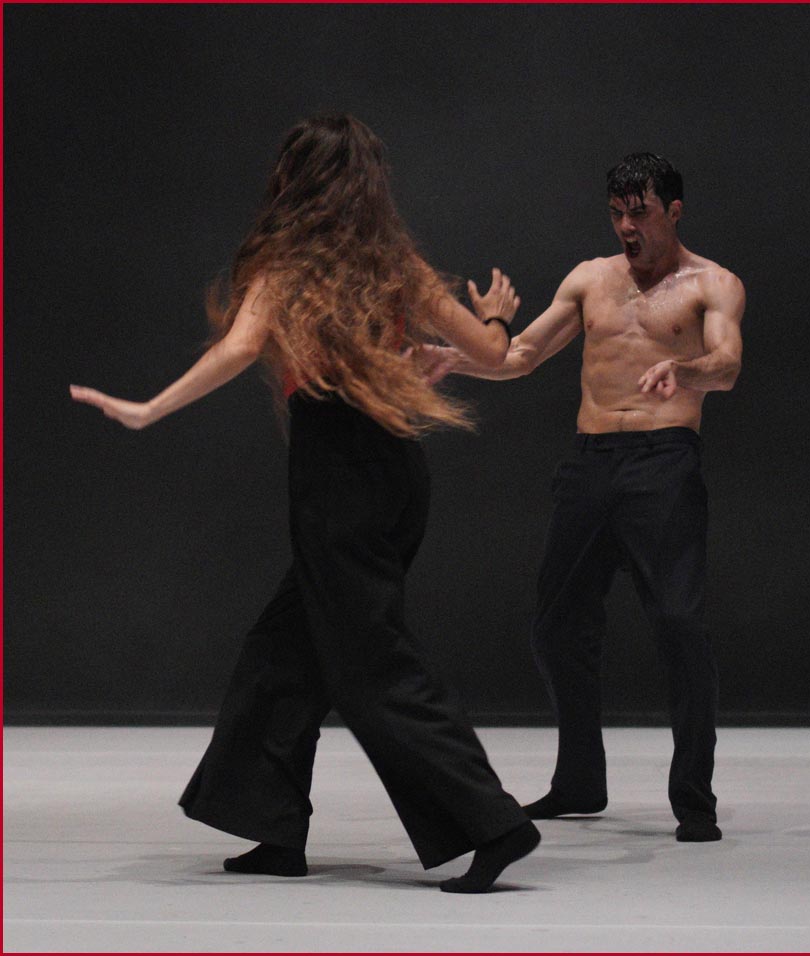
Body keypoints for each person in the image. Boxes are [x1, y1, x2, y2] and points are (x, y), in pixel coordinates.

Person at [70, 114, 540, 892]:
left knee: (371, 663)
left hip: (338, 479)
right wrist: (494, 313)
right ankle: (274, 830)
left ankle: (493, 824)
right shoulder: (394, 263)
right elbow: (492, 351)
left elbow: (239, 347)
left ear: (296, 177)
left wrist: (151, 409)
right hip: (392, 473)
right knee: (283, 653)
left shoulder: (287, 266)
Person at [425, 153, 745, 842]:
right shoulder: (589, 279)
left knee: (678, 624)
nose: (627, 226)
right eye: (617, 213)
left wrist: (683, 370)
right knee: (555, 624)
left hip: (663, 461)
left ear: (673, 212)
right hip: (592, 462)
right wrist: (460, 357)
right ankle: (578, 781)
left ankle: (694, 798)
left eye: (641, 213)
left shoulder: (712, 284)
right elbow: (520, 356)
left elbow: (726, 365)